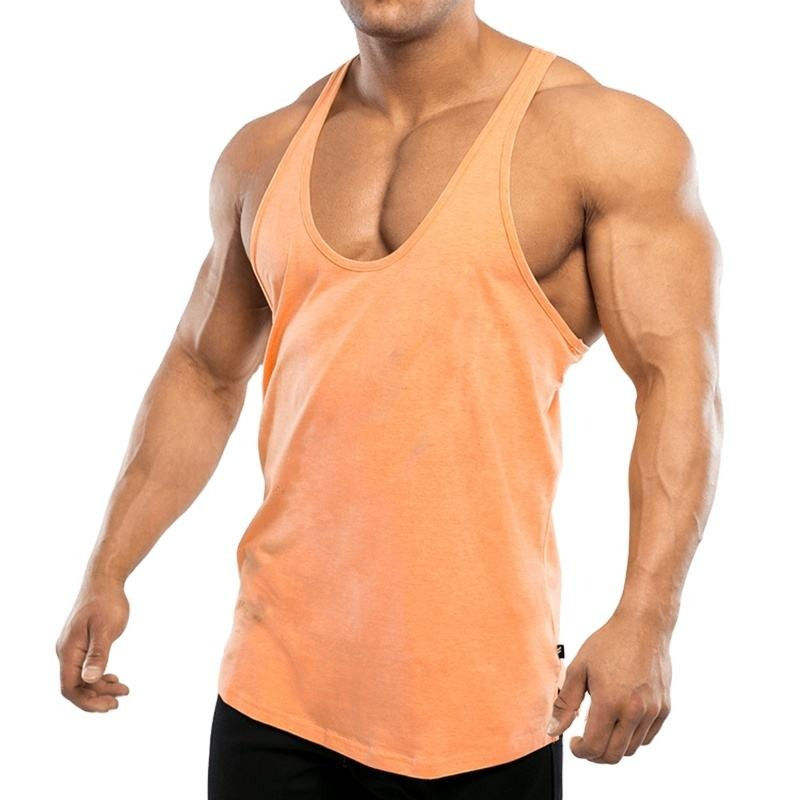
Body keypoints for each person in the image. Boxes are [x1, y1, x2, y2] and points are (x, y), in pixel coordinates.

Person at [56, 1, 722, 797]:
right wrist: (108, 567)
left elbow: (679, 382)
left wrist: (646, 616)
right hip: (273, 697)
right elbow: (203, 371)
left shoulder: (600, 136)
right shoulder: (265, 152)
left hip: (484, 713)